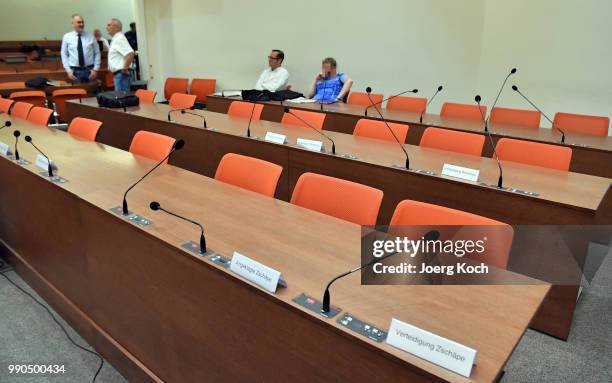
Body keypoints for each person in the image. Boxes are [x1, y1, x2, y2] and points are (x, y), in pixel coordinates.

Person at [61, 14, 101, 83]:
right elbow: (63, 54)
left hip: (90, 70)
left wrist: (95, 69)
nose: (81, 24)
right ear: (73, 23)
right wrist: (68, 70)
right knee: (77, 92)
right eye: (79, 22)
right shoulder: (67, 37)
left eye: (82, 22)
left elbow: (97, 53)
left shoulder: (91, 37)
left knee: (92, 92)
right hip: (74, 71)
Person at [106, 18, 135, 92]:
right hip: (119, 75)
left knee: (121, 100)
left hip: (121, 75)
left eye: (109, 25)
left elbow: (130, 53)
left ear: (116, 27)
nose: (106, 27)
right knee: (120, 99)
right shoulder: (116, 38)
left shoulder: (119, 38)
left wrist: (125, 68)